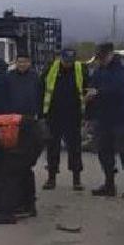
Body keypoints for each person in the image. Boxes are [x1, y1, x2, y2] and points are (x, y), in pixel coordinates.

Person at [0, 51, 42, 221]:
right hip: (25, 127)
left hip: (15, 127)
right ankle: (26, 205)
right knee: (22, 169)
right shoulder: (4, 73)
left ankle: (6, 211)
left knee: (7, 171)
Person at [85, 42, 124, 198]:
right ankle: (109, 183)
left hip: (122, 117)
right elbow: (92, 88)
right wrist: (89, 114)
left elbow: (120, 89)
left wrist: (98, 92)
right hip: (103, 117)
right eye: (99, 58)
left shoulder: (122, 67)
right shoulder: (100, 69)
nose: (100, 61)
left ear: (110, 54)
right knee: (104, 151)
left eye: (103, 58)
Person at [39, 48, 87, 191]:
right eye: (66, 61)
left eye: (70, 62)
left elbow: (86, 88)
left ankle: (77, 179)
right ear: (61, 59)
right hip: (54, 115)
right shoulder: (51, 68)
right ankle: (51, 178)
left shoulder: (80, 69)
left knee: (75, 148)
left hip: (73, 115)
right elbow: (42, 89)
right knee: (52, 148)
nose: (68, 64)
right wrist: (41, 113)